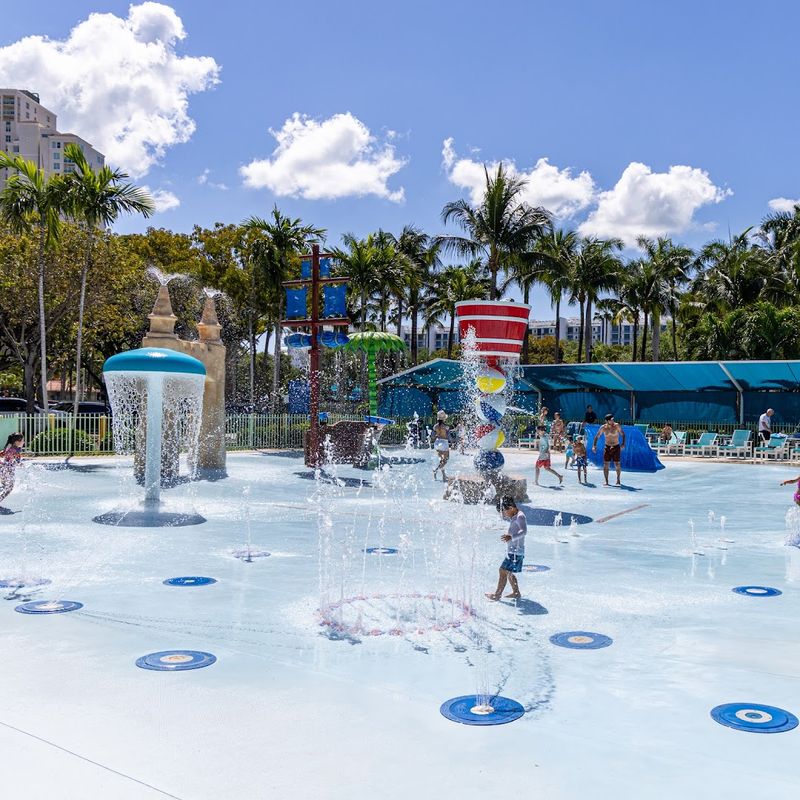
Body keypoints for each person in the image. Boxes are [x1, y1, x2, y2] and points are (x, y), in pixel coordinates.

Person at [485, 496, 526, 601]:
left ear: (511, 507)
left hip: (516, 552)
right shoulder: (515, 516)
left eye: (504, 511)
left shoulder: (520, 516)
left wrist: (511, 537)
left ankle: (497, 595)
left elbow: (524, 531)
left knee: (502, 571)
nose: (504, 514)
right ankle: (516, 592)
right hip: (514, 551)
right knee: (509, 573)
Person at [592, 413, 626, 487]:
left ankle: (618, 480)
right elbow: (597, 436)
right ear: (607, 421)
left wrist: (623, 443)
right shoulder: (603, 427)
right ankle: (606, 481)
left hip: (616, 446)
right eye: (611, 420)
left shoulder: (617, 426)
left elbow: (623, 434)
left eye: (613, 419)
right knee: (606, 464)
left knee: (617, 464)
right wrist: (594, 446)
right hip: (607, 447)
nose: (613, 421)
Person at [0, 433, 24, 506]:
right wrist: (20, 464)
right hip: (7, 470)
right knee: (9, 487)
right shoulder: (16, 449)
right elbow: (17, 461)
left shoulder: (9, 447)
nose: (23, 442)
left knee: (5, 486)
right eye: (22, 441)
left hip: (3, 468)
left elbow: (5, 456)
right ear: (17, 442)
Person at [432, 410, 450, 480]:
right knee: (445, 460)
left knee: (441, 460)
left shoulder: (435, 426)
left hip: (437, 443)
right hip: (444, 443)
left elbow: (432, 436)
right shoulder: (446, 427)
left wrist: (437, 435)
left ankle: (444, 476)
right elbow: (448, 437)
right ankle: (436, 470)